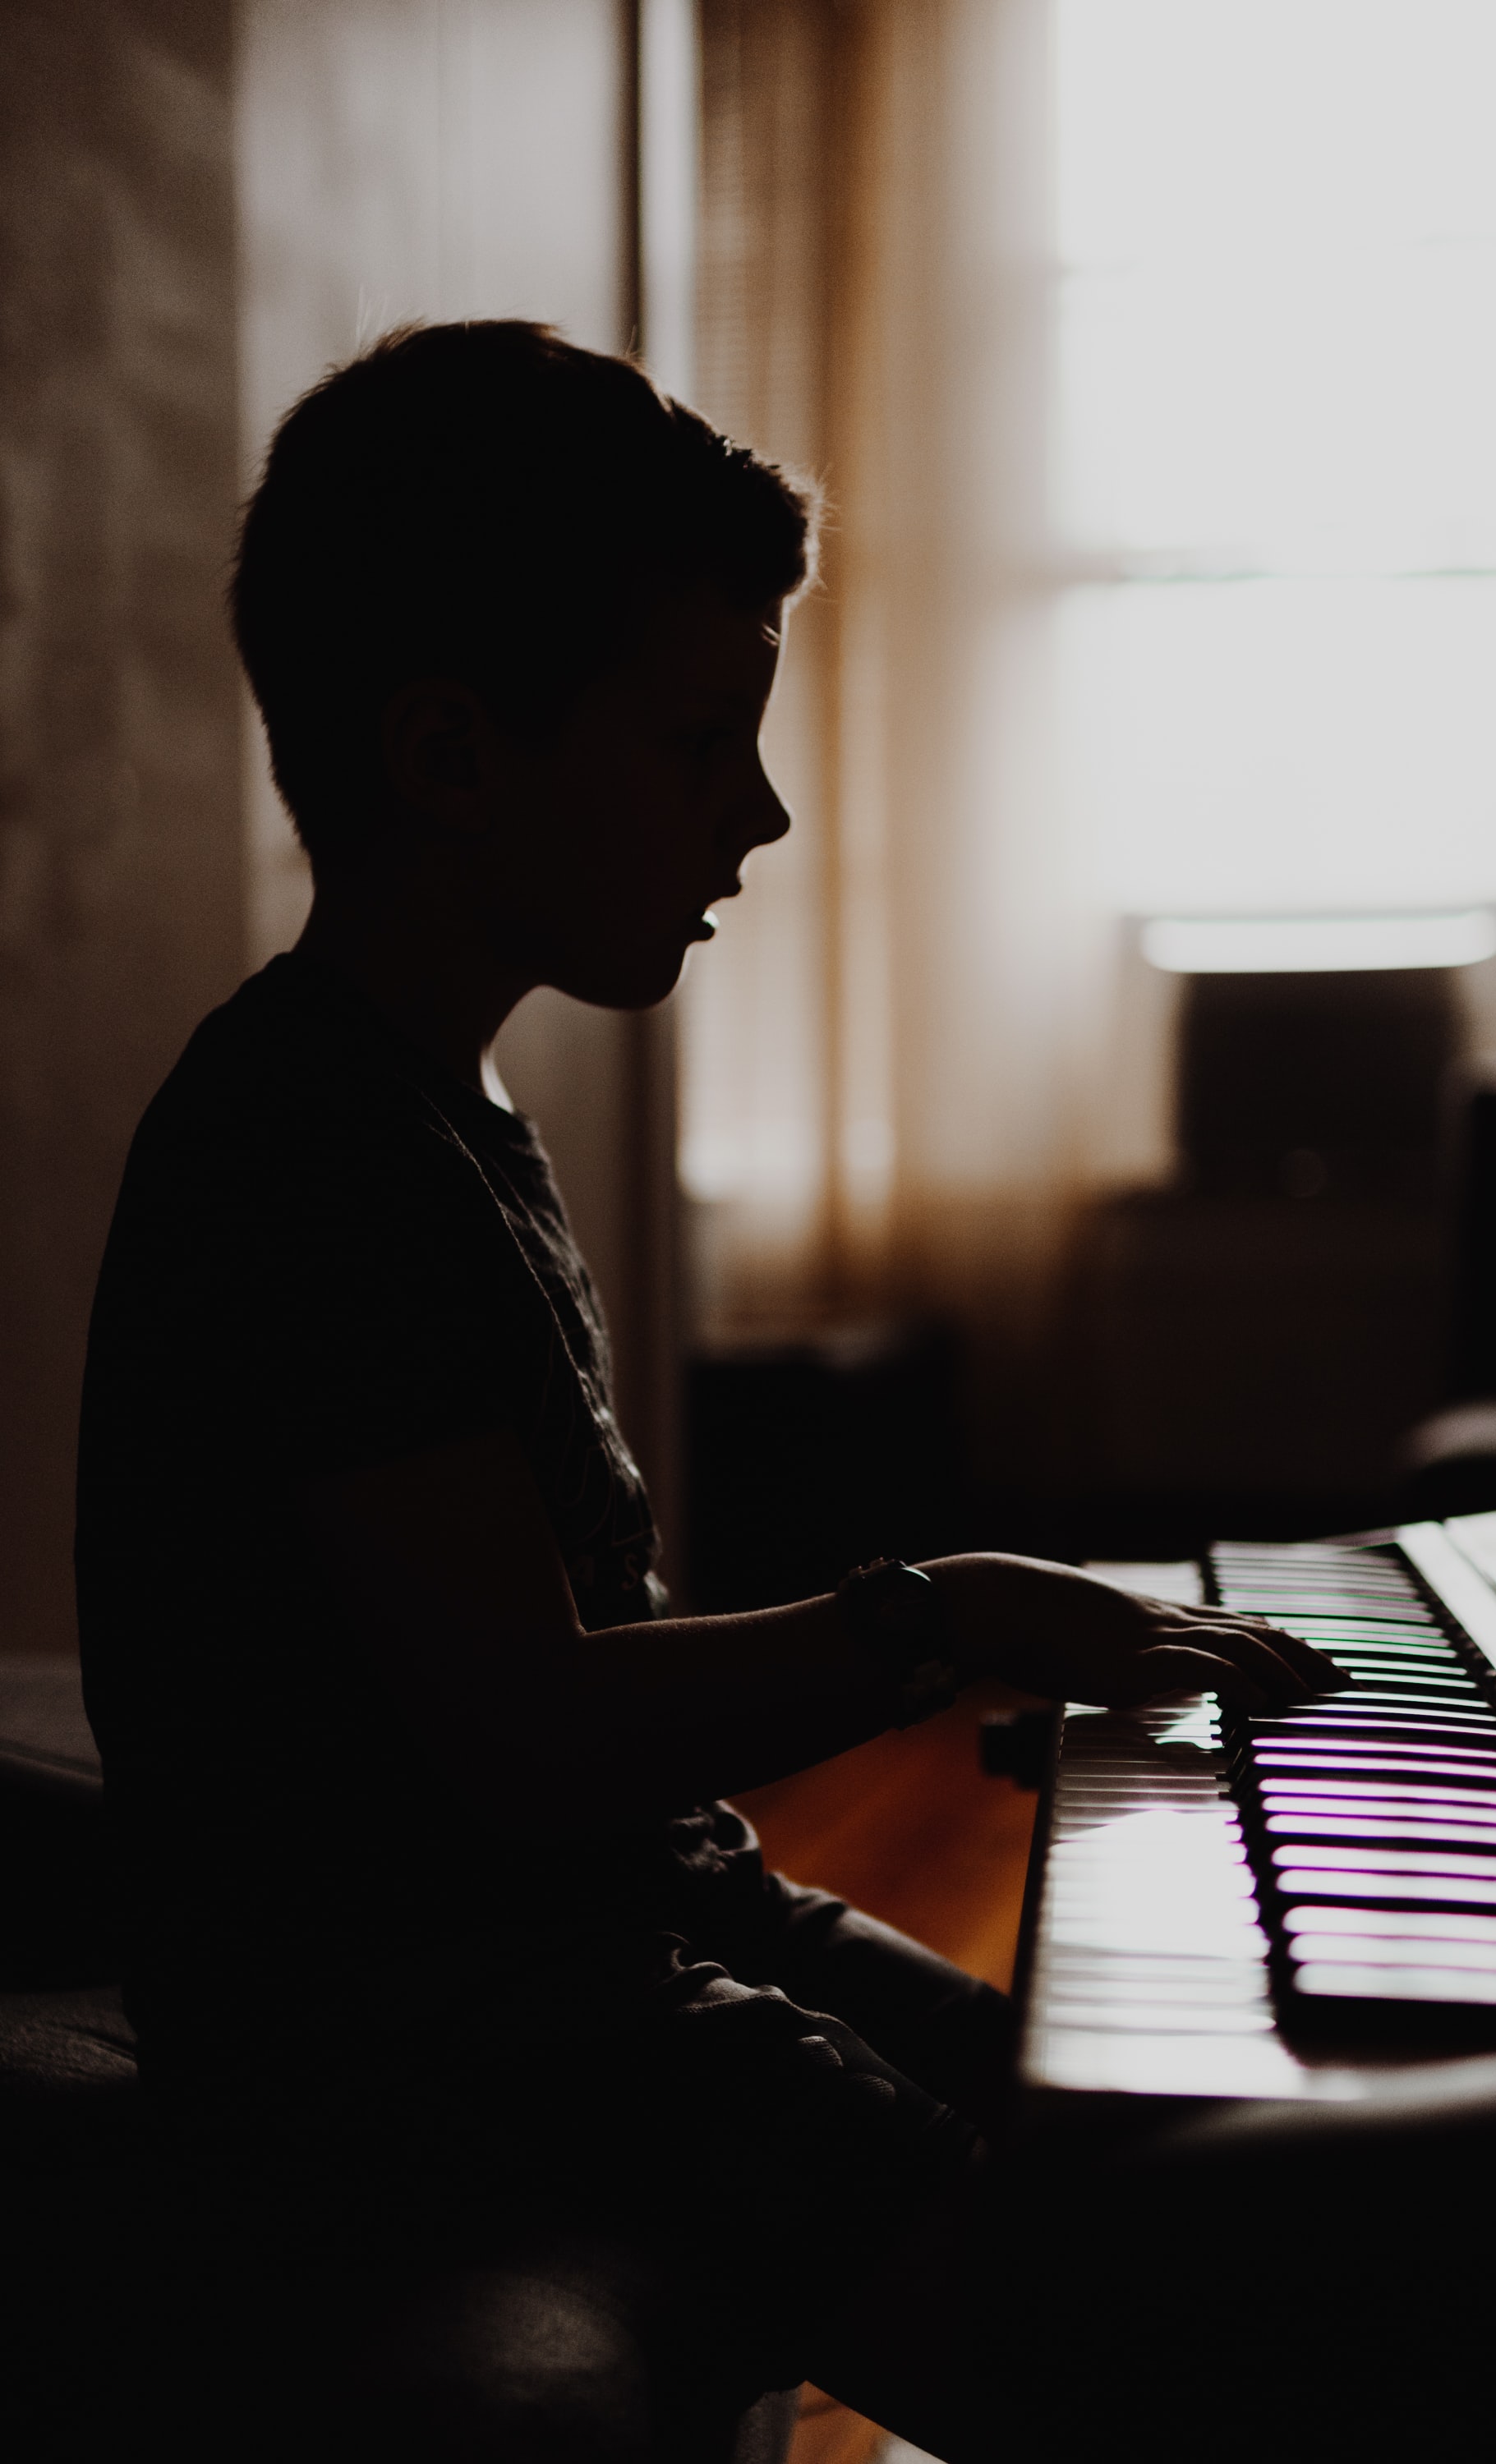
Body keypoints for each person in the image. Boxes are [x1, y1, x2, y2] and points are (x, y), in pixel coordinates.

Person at [75, 321, 1338, 2460]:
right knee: (1175, 2350)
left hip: (598, 1941)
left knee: (1189, 2143)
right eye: (696, 740)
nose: (758, 810)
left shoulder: (434, 1108)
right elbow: (526, 1742)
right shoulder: (301, 1153)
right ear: (455, 756)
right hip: (438, 2028)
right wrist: (952, 1614)